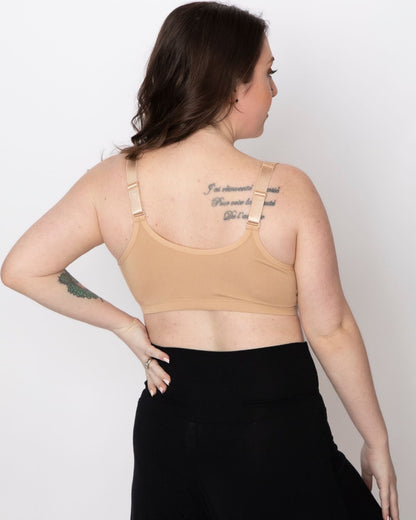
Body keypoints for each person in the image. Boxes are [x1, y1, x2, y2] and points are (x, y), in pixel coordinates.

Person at [1, 2, 399, 519]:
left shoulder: (113, 182)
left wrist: (126, 327)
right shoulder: (287, 189)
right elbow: (332, 328)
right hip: (274, 424)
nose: (274, 89)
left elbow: (23, 268)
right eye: (267, 73)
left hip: (169, 418)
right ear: (233, 86)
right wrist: (376, 440)